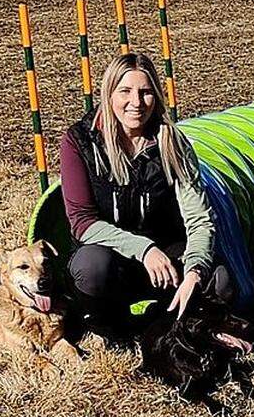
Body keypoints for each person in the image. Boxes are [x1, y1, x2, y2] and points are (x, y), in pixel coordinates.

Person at [60, 53, 233, 338]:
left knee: (221, 281)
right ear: (109, 94)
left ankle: (170, 319)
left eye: (146, 92)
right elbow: (82, 222)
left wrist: (195, 269)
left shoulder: (171, 142)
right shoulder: (80, 141)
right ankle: (110, 330)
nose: (136, 103)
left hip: (165, 256)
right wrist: (143, 249)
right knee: (90, 268)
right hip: (110, 254)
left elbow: (200, 219)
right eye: (125, 91)